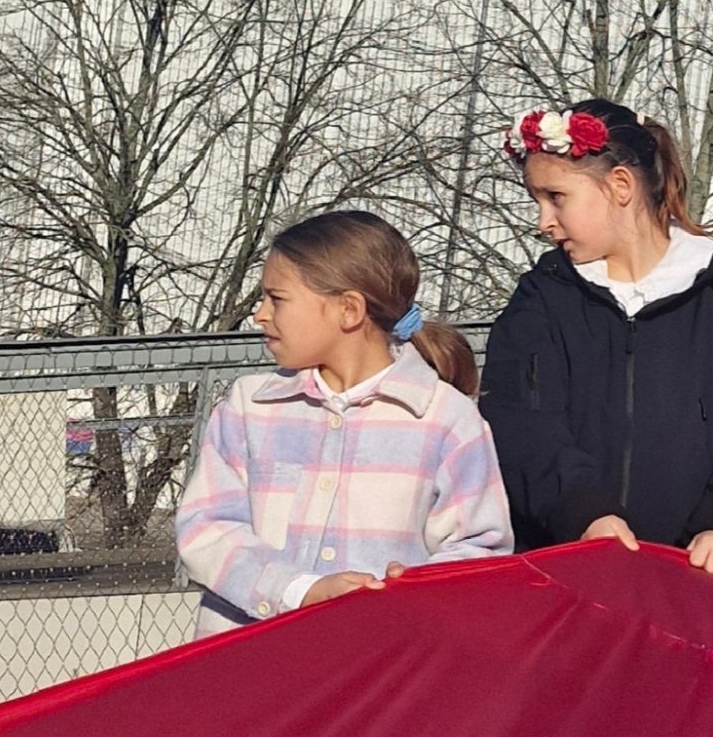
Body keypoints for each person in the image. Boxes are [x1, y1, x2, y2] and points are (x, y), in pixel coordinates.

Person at [480, 99, 713, 572]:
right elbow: (521, 426)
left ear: (621, 186)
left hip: (694, 574)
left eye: (556, 197)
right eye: (537, 200)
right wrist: (583, 511)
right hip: (568, 565)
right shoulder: (541, 300)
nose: (542, 221)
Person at [178, 211, 509, 636]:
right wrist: (298, 590)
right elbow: (207, 529)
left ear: (348, 310)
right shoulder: (248, 408)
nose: (260, 314)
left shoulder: (446, 420)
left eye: (276, 298)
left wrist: (412, 592)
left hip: (376, 674)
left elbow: (480, 546)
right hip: (250, 669)